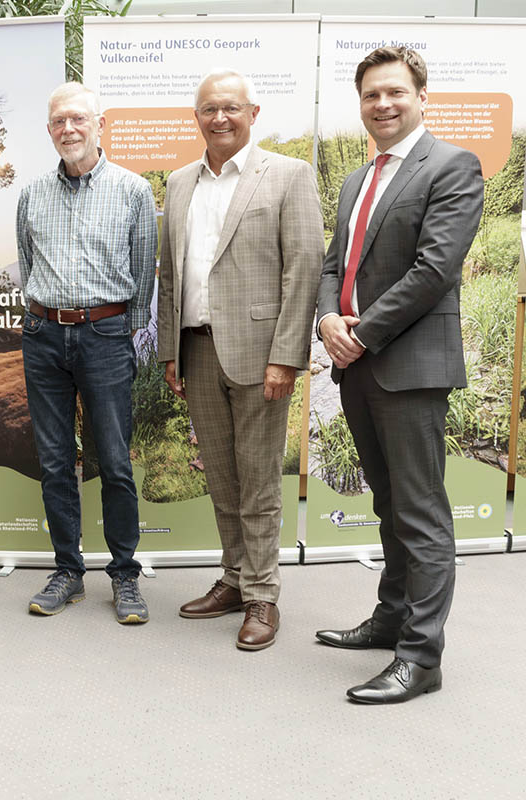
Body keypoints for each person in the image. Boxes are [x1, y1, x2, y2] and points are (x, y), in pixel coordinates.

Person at [315, 47, 483, 703]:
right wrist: (328, 319)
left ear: (421, 96)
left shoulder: (452, 167)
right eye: (370, 96)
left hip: (407, 368)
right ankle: (391, 618)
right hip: (357, 365)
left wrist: (360, 333)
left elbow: (433, 270)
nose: (382, 105)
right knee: (387, 504)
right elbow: (335, 264)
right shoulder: (358, 180)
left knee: (421, 514)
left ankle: (421, 657)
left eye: (395, 93)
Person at [155, 70, 323, 650]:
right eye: (208, 109)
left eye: (230, 107)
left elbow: (303, 268)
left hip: (259, 356)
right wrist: (169, 353)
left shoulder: (288, 175)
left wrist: (287, 357)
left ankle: (262, 596)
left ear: (253, 112)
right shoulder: (178, 182)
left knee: (257, 480)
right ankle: (232, 578)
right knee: (222, 477)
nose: (219, 117)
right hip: (196, 349)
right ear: (195, 118)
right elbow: (169, 274)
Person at [16, 82, 157, 624]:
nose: (68, 130)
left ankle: (124, 575)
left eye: (78, 119)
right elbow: (29, 268)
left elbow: (143, 278)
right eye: (58, 122)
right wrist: (40, 320)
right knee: (54, 462)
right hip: (45, 337)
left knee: (116, 462)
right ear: (49, 130)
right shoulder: (31, 194)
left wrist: (130, 341)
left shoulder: (132, 191)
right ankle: (67, 572)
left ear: (100, 125)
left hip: (105, 337)